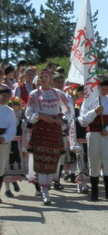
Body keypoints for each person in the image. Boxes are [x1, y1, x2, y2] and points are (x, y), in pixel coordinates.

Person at [25, 69, 73, 205]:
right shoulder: (34, 94)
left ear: (50, 79)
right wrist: (40, 116)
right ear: (38, 79)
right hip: (40, 129)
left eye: (46, 76)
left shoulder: (58, 93)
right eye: (41, 77)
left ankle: (47, 189)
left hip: (53, 129)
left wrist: (62, 120)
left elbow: (68, 108)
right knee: (40, 159)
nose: (44, 79)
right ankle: (44, 191)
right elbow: (28, 113)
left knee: (53, 159)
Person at [78, 79, 108, 201]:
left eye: (107, 89)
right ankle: (95, 192)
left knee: (107, 160)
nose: (105, 91)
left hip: (106, 134)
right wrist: (95, 112)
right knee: (94, 160)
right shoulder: (88, 101)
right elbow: (83, 120)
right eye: (102, 88)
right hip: (93, 134)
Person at [2, 94, 25, 197]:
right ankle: (7, 189)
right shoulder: (6, 118)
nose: (15, 113)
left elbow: (24, 135)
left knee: (14, 165)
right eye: (14, 110)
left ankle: (14, 181)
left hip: (16, 145)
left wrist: (24, 147)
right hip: (6, 144)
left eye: (17, 111)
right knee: (5, 167)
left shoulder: (21, 122)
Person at [0, 86, 18, 204]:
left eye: (8, 96)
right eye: (3, 95)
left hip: (3, 142)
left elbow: (12, 128)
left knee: (0, 168)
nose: (5, 98)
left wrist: (4, 138)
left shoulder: (10, 111)